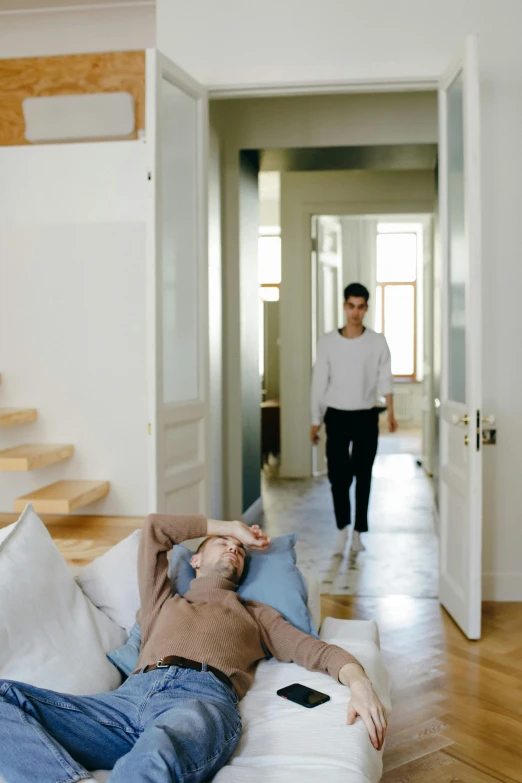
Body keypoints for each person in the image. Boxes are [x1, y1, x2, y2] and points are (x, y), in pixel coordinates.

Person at [0, 515, 388, 783]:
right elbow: (154, 528)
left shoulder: (255, 614)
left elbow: (317, 651)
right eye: (223, 544)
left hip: (200, 699)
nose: (234, 549)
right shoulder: (162, 599)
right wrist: (231, 527)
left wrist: (359, 682)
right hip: (125, 702)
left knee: (157, 752)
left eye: (240, 550)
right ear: (196, 559)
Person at [311, 282, 397, 556]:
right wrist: (316, 420)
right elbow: (318, 384)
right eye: (351, 306)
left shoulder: (377, 342)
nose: (355, 312)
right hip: (336, 417)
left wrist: (392, 415)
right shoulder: (327, 342)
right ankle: (342, 530)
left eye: (361, 307)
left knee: (363, 475)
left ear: (366, 308)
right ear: (345, 306)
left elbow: (386, 379)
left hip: (366, 417)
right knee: (338, 477)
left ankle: (359, 532)